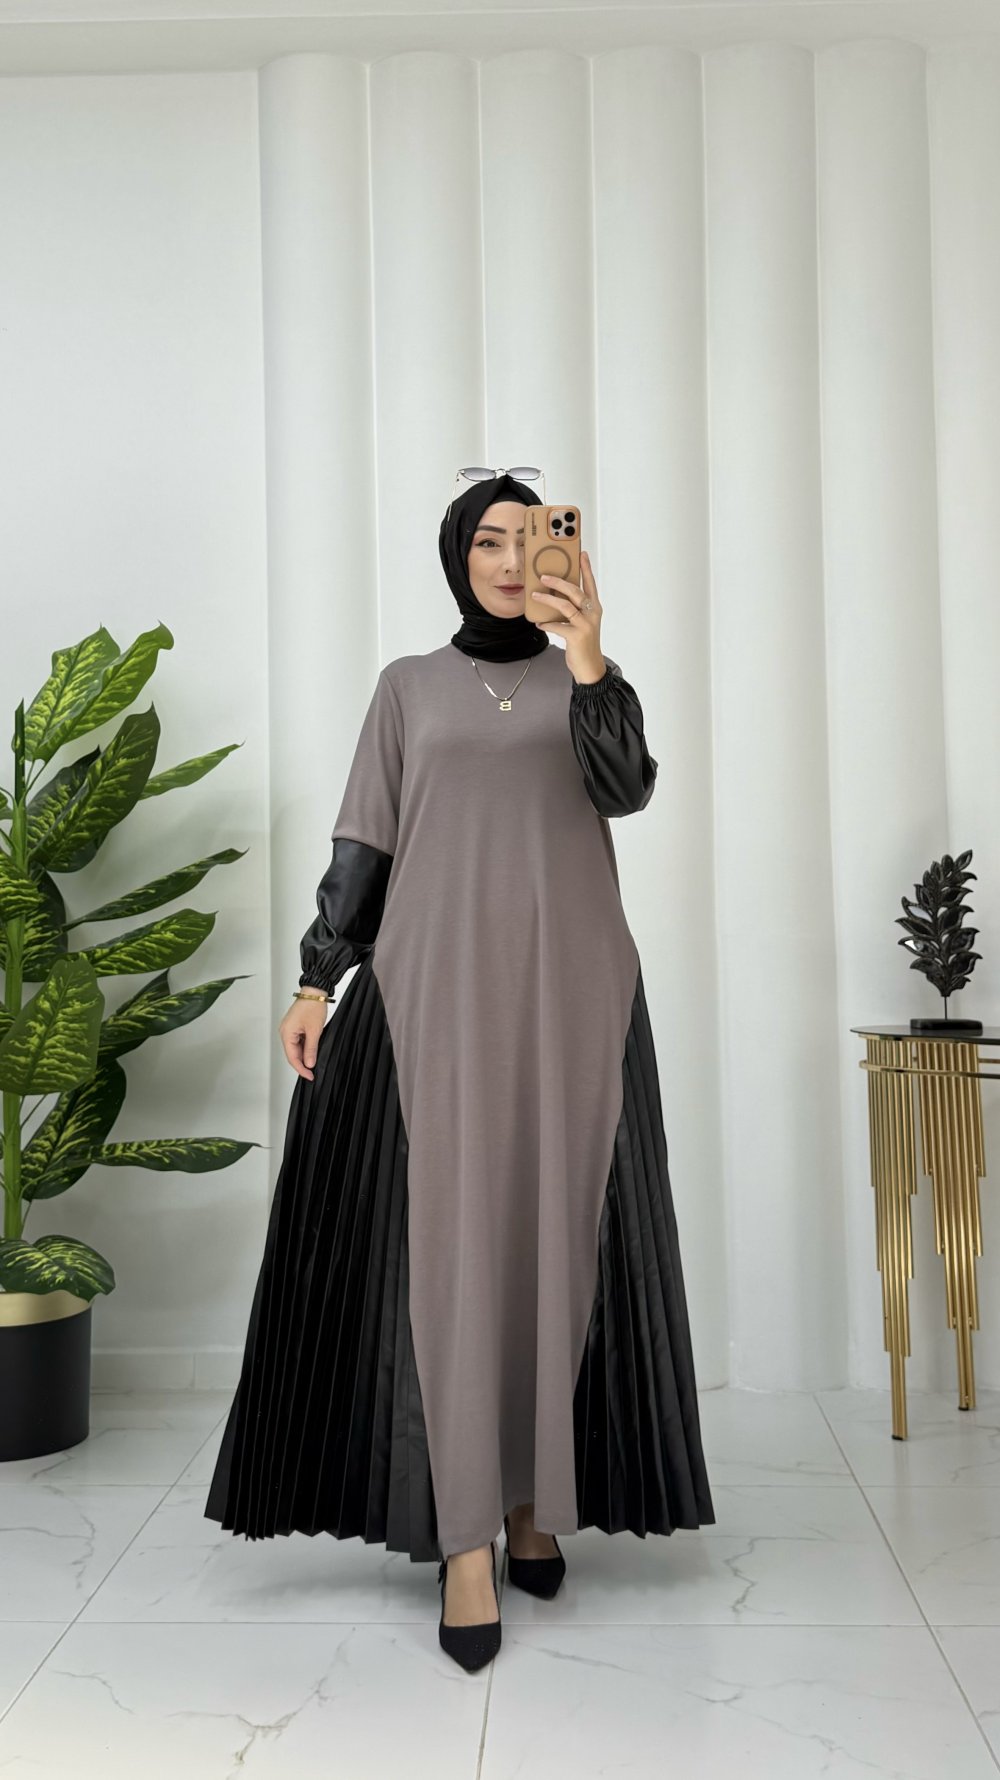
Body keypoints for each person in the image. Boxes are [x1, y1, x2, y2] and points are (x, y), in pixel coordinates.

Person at [204, 470, 715, 1673]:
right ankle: (465, 1539)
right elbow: (365, 839)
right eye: (488, 539)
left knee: (555, 1244)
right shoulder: (407, 687)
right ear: (456, 554)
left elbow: (627, 788)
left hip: (574, 996)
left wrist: (589, 652)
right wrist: (317, 977)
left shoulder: (591, 680)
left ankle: (537, 1500)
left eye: (531, 537)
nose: (510, 559)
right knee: (450, 1254)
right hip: (433, 995)